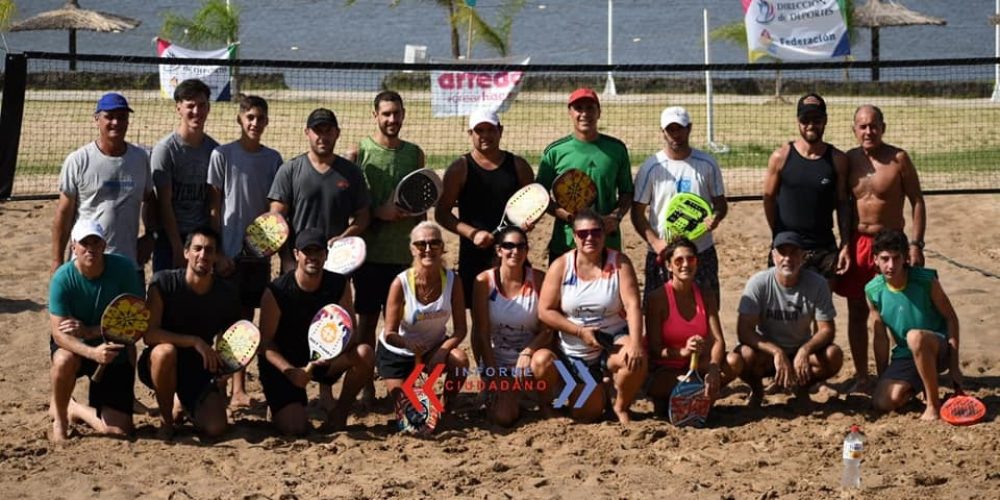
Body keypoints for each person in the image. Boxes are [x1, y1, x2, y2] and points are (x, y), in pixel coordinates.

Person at [344, 91, 426, 407]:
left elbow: (423, 205)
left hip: (404, 257)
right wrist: (379, 212)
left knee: (405, 324)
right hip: (370, 254)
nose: (392, 119)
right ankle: (365, 386)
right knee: (366, 321)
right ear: (375, 115)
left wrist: (421, 245)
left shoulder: (415, 155)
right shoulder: (358, 153)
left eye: (396, 113)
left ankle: (401, 384)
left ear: (404, 114)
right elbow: (352, 209)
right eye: (386, 114)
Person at [840, 104, 927, 393]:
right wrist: (843, 244)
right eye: (863, 126)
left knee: (896, 309)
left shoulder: (898, 159)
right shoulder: (848, 160)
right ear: (854, 129)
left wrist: (915, 243)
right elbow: (839, 205)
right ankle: (863, 376)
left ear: (883, 128)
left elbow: (917, 201)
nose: (868, 131)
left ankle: (897, 372)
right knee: (856, 310)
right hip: (859, 243)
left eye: (874, 125)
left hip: (891, 241)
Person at [533, 209, 646, 423]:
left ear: (604, 234)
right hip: (575, 346)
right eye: (583, 234)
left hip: (610, 337)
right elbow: (545, 311)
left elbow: (633, 305)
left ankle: (620, 407)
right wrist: (579, 331)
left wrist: (636, 342)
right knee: (587, 413)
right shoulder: (561, 266)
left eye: (595, 232)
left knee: (634, 358)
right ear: (574, 236)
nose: (590, 238)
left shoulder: (620, 262)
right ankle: (557, 401)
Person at [258, 228, 375, 435]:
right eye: (307, 251)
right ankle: (282, 405)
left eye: (318, 251)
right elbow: (265, 344)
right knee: (295, 428)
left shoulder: (339, 284)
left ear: (326, 255)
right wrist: (290, 371)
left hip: (324, 359)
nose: (313, 256)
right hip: (286, 364)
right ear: (296, 254)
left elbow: (351, 331)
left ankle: (340, 412)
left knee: (364, 353)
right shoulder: (277, 291)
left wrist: (332, 353)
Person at [207, 94, 283, 408]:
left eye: (260, 118)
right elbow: (214, 209)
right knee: (225, 321)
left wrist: (273, 249)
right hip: (228, 253)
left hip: (258, 255)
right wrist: (218, 253)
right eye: (249, 117)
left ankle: (239, 387)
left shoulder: (273, 159)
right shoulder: (222, 155)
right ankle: (219, 383)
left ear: (266, 121)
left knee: (247, 323)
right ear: (240, 119)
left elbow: (274, 210)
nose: (254, 123)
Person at [138, 226, 241, 439]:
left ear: (215, 256)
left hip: (199, 366)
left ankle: (183, 404)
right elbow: (149, 335)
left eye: (209, 250)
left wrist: (226, 369)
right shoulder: (163, 282)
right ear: (186, 253)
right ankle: (166, 421)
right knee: (165, 352)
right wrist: (194, 341)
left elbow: (232, 337)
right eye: (197, 248)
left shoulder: (226, 293)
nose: (203, 255)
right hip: (161, 362)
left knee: (216, 428)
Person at [48, 219, 144, 441]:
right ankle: (62, 418)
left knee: (118, 432)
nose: (90, 248)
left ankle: (75, 408)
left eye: (96, 242)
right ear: (74, 247)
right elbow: (58, 334)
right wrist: (91, 352)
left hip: (112, 345)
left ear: (104, 245)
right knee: (63, 360)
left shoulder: (124, 269)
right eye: (84, 243)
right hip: (78, 348)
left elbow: (137, 319)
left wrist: (90, 332)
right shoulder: (62, 278)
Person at [435, 108, 534, 308]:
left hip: (512, 252)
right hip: (474, 255)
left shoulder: (519, 166)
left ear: (501, 131)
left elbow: (534, 203)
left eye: (491, 130)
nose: (486, 135)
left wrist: (528, 222)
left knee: (518, 309)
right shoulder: (459, 168)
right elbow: (442, 213)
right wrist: (473, 234)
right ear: (470, 134)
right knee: (480, 319)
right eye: (480, 130)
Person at [733, 231, 843, 407]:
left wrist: (805, 350)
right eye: (782, 253)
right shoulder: (758, 283)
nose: (787, 258)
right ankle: (757, 390)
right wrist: (776, 351)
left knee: (833, 355)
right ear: (773, 255)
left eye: (793, 253)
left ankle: (802, 389)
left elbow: (827, 329)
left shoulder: (818, 283)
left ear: (803, 256)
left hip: (800, 349)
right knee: (742, 355)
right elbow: (744, 331)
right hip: (768, 354)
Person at [51, 92, 154, 277]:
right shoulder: (78, 160)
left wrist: (149, 236)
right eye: (109, 116)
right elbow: (64, 213)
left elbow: (150, 199)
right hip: (86, 263)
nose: (116, 122)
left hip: (128, 263)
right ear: (97, 119)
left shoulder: (140, 158)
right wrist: (57, 260)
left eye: (122, 117)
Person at [632, 106, 727, 305]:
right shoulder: (651, 167)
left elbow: (720, 204)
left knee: (706, 312)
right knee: (659, 315)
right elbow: (637, 214)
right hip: (663, 253)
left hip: (701, 251)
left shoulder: (707, 164)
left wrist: (715, 217)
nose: (675, 134)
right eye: (670, 129)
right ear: (663, 131)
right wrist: (657, 244)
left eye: (680, 128)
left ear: (689, 128)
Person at [377, 222, 470, 417]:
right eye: (421, 244)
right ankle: (401, 391)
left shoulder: (453, 280)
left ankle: (447, 405)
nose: (428, 249)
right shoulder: (400, 283)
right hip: (398, 352)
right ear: (412, 250)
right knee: (411, 417)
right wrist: (408, 344)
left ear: (443, 248)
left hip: (432, 349)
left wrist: (442, 351)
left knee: (459, 359)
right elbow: (389, 333)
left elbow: (461, 329)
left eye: (434, 243)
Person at [866, 229, 960, 421]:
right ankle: (917, 387)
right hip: (905, 354)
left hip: (937, 348)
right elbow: (880, 337)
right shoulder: (872, 290)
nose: (890, 265)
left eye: (896, 258)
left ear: (905, 258)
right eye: (884, 258)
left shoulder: (926, 281)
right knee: (883, 402)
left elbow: (951, 318)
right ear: (875, 259)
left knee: (915, 336)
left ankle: (933, 405)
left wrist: (954, 366)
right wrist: (882, 377)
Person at [644, 238, 742, 416]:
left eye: (691, 259)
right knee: (688, 387)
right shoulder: (657, 299)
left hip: (698, 365)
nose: (685, 265)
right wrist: (684, 351)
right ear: (669, 266)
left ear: (697, 262)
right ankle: (687, 400)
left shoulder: (706, 295)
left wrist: (713, 368)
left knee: (734, 361)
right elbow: (655, 350)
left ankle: (694, 400)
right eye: (678, 260)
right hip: (666, 369)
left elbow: (718, 339)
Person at [536, 88, 633, 263]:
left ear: (599, 112)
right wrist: (569, 217)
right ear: (570, 113)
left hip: (607, 241)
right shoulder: (555, 152)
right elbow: (539, 196)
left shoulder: (617, 149)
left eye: (590, 108)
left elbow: (627, 192)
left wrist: (615, 217)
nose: (584, 113)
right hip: (566, 243)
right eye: (578, 108)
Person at [268, 107, 371, 272]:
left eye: (328, 131)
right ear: (307, 132)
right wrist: (287, 259)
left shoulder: (352, 173)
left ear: (337, 133)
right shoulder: (290, 170)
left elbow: (363, 216)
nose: (323, 137)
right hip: (298, 265)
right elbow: (276, 220)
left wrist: (345, 239)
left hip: (336, 264)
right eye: (317, 131)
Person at [763, 93, 852, 280]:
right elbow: (769, 198)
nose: (811, 125)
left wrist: (845, 243)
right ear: (798, 121)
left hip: (823, 248)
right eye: (805, 119)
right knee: (785, 306)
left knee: (822, 307)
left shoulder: (838, 159)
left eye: (817, 119)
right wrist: (777, 232)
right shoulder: (781, 157)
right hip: (788, 247)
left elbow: (843, 203)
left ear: (825, 120)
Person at [471, 226, 552, 426]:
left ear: (527, 250)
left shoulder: (540, 279)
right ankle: (499, 393)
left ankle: (544, 404)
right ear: (499, 250)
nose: (515, 251)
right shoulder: (484, 281)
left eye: (520, 246)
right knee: (503, 417)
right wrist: (492, 375)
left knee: (544, 359)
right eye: (508, 246)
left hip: (530, 362)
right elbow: (481, 333)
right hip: (498, 362)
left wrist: (527, 352)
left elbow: (548, 329)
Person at [151, 79, 219, 272]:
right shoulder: (166, 150)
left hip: (201, 238)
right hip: (171, 237)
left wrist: (215, 243)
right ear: (178, 108)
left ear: (208, 108)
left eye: (202, 105)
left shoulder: (215, 151)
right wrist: (177, 247)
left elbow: (214, 203)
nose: (197, 111)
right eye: (190, 106)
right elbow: (164, 203)